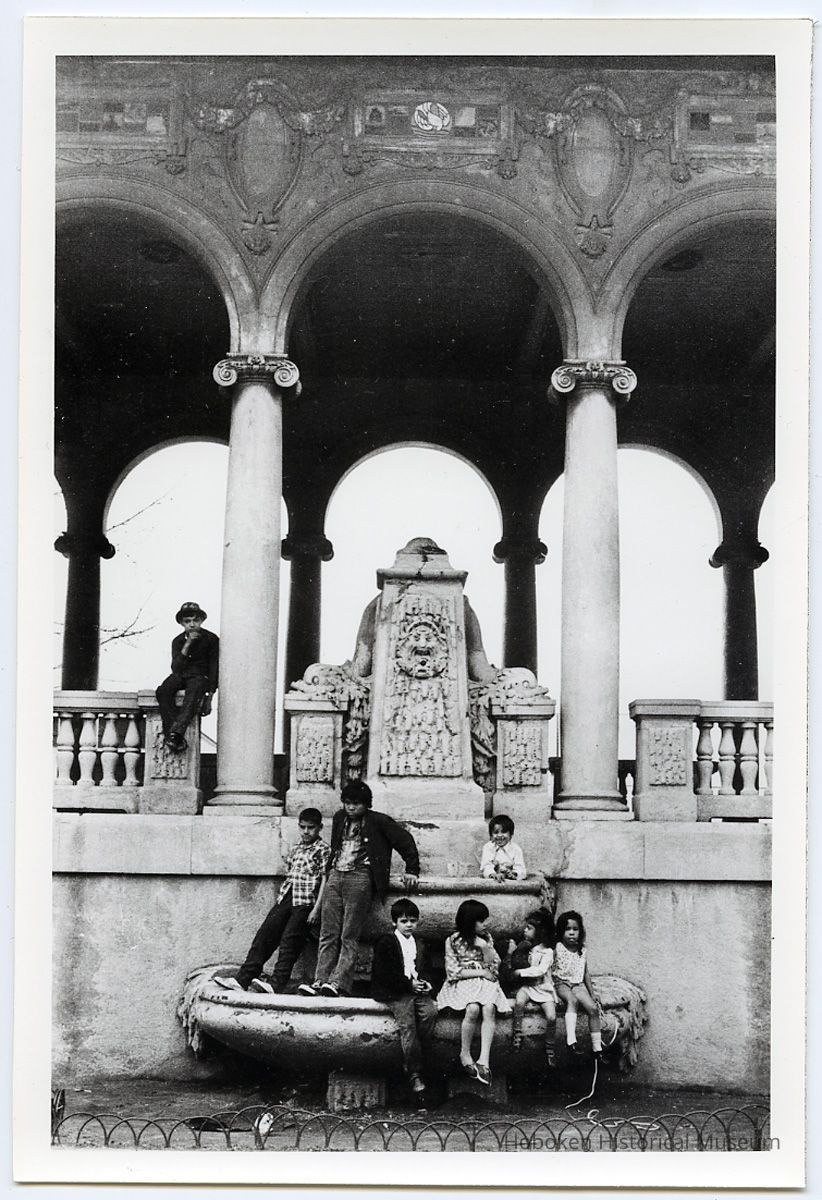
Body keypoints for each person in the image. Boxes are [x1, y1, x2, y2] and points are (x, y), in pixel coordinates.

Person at [297, 779, 420, 999]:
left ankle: (339, 983)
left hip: (359, 876)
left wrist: (412, 869)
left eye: (356, 803)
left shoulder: (378, 821)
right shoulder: (339, 818)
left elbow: (405, 840)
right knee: (328, 932)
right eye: (347, 803)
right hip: (336, 875)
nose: (351, 807)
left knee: (349, 934)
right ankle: (320, 980)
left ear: (366, 804)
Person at [214, 808, 330, 995]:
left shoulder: (323, 849)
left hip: (306, 901)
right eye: (302, 827)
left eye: (311, 828)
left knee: (290, 941)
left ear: (320, 828)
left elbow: (325, 879)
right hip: (287, 896)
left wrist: (316, 909)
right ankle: (243, 979)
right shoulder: (296, 848)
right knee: (266, 934)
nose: (306, 832)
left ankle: (276, 984)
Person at [436, 898, 512, 1086]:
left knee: (489, 1008)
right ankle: (465, 1053)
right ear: (469, 922)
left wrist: (484, 947)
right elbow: (453, 972)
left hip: (486, 982)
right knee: (472, 1009)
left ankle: (484, 1059)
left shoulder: (486, 938)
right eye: (481, 921)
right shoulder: (453, 940)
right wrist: (481, 972)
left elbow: (494, 966)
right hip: (464, 980)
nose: (486, 924)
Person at [371, 898, 438, 1105]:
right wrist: (409, 985)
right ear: (394, 922)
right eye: (404, 921)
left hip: (416, 990)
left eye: (413, 921)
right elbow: (385, 973)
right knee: (408, 1024)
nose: (409, 925)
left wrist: (426, 983)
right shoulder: (387, 942)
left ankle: (419, 1056)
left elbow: (426, 969)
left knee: (430, 1013)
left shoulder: (419, 943)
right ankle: (414, 1073)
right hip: (395, 991)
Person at [156, 601, 219, 752]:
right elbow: (175, 668)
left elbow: (214, 668)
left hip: (199, 676)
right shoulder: (178, 641)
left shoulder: (211, 639)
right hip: (181, 675)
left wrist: (210, 696)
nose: (192, 624)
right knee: (163, 690)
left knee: (194, 691)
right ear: (181, 623)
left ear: (201, 620)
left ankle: (176, 732)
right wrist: (188, 643)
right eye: (187, 621)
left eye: (195, 620)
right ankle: (173, 734)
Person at [507, 910, 558, 1067]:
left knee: (551, 1016)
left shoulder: (547, 952)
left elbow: (540, 970)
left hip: (543, 988)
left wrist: (520, 972)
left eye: (529, 928)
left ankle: (550, 1047)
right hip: (529, 986)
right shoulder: (528, 948)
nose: (525, 930)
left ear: (540, 931)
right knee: (519, 1002)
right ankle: (517, 1034)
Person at [552, 910, 603, 1058]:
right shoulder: (558, 947)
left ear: (580, 931)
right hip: (561, 982)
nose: (572, 933)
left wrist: (592, 994)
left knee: (593, 1008)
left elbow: (585, 973)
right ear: (561, 931)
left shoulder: (582, 950)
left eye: (575, 929)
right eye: (567, 929)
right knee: (572, 1000)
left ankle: (597, 1049)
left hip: (577, 984)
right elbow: (548, 969)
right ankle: (571, 1042)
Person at [479, 815, 526, 881]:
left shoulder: (516, 849)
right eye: (496, 832)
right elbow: (486, 866)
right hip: (492, 881)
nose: (499, 835)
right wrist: (492, 874)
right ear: (491, 835)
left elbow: (520, 868)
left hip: (511, 882)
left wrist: (514, 874)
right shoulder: (488, 848)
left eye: (504, 832)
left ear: (511, 834)